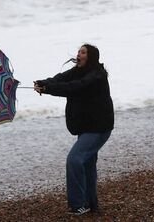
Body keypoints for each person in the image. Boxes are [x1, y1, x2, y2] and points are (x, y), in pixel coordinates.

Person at [34, 43, 114, 216]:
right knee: (86, 164)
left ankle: (78, 205)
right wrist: (43, 83)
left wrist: (48, 89)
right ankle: (91, 204)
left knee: (74, 159)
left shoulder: (97, 76)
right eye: (79, 51)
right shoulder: (76, 71)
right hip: (86, 127)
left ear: (91, 57)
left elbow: (74, 87)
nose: (79, 54)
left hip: (99, 127)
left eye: (83, 52)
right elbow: (60, 79)